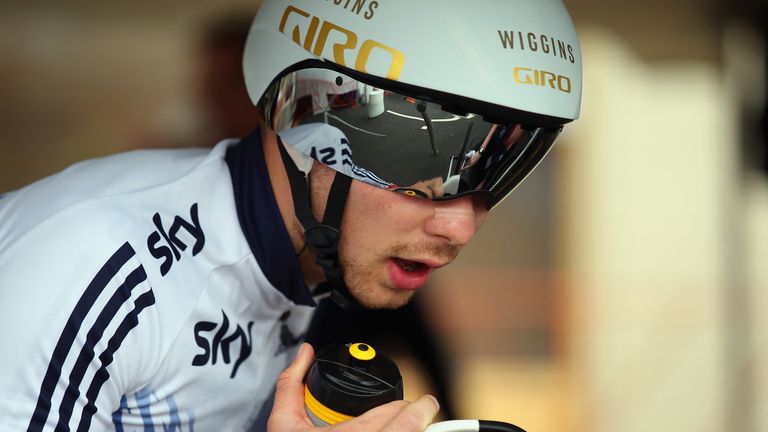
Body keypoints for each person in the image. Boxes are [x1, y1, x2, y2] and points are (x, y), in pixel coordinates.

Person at [0, 1, 582, 431]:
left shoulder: (314, 269)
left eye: (502, 168)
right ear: (306, 115)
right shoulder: (94, 265)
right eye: (428, 162)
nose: (461, 227)